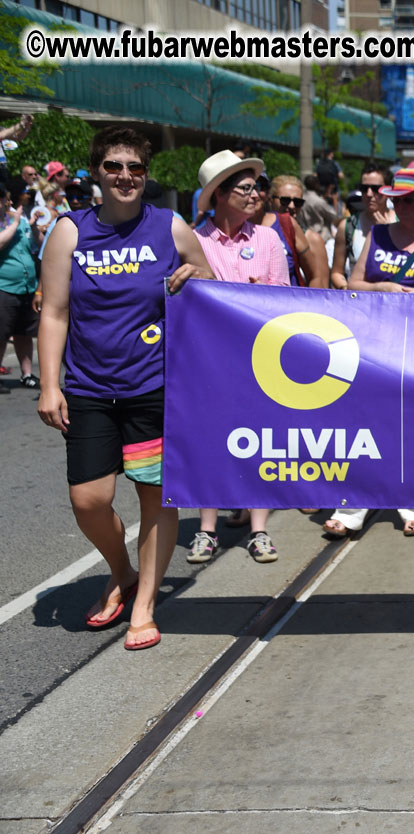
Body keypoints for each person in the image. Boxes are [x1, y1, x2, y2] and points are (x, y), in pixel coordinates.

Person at [37, 126, 215, 650]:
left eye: (135, 167)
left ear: (145, 174)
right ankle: (122, 570)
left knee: (155, 497)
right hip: (90, 389)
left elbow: (211, 286)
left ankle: (144, 605)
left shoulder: (170, 227)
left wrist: (194, 277)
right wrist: (49, 385)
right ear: (97, 172)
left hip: (156, 388)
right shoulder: (70, 231)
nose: (125, 176)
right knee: (88, 499)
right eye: (114, 166)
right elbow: (54, 313)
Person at [323, 168, 414, 539]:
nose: (401, 206)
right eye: (397, 200)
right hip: (374, 345)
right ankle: (352, 505)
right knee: (364, 423)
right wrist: (385, 288)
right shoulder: (376, 235)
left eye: (410, 199)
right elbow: (354, 283)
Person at [189, 149, 290, 565]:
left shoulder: (267, 239)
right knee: (210, 440)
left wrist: (259, 295)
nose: (255, 195)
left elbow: (286, 299)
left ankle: (259, 529)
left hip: (259, 358)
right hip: (210, 360)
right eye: (245, 188)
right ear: (219, 193)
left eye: (256, 188)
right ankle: (206, 529)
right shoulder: (193, 241)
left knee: (260, 440)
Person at [255, 174, 329, 288]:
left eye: (298, 202)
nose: (291, 206)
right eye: (285, 200)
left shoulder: (312, 239)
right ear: (270, 200)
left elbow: (320, 285)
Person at [331, 164, 396, 290]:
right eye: (364, 188)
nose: (369, 194)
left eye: (376, 188)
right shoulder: (348, 226)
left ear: (388, 190)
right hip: (358, 298)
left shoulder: (401, 222)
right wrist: (346, 289)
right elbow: (336, 272)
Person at [0, 181, 39, 388]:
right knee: (1, 334)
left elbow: (36, 246)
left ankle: (27, 374)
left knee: (24, 332)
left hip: (27, 286)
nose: (2, 202)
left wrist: (33, 227)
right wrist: (14, 224)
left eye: (3, 198)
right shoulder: (13, 222)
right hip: (4, 286)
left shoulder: (21, 220)